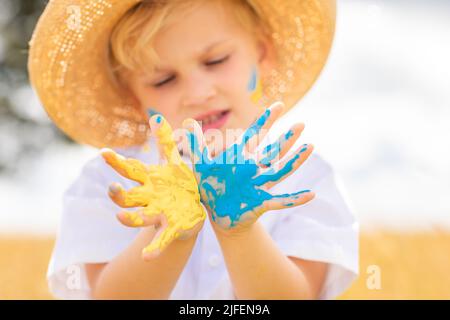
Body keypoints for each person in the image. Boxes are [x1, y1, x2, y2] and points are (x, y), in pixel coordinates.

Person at [28, 0, 358, 299]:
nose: (198, 93)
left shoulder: (303, 177)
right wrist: (172, 231)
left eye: (215, 61)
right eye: (163, 80)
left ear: (263, 53)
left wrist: (239, 232)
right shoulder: (106, 183)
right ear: (134, 99)